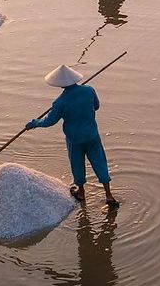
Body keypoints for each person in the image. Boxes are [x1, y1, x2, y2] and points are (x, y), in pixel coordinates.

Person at [26, 64, 119, 207]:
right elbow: (97, 106)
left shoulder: (60, 102)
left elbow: (49, 121)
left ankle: (81, 192)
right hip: (92, 135)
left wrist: (34, 123)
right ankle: (109, 195)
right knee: (100, 162)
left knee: (77, 164)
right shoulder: (89, 90)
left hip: (75, 139)